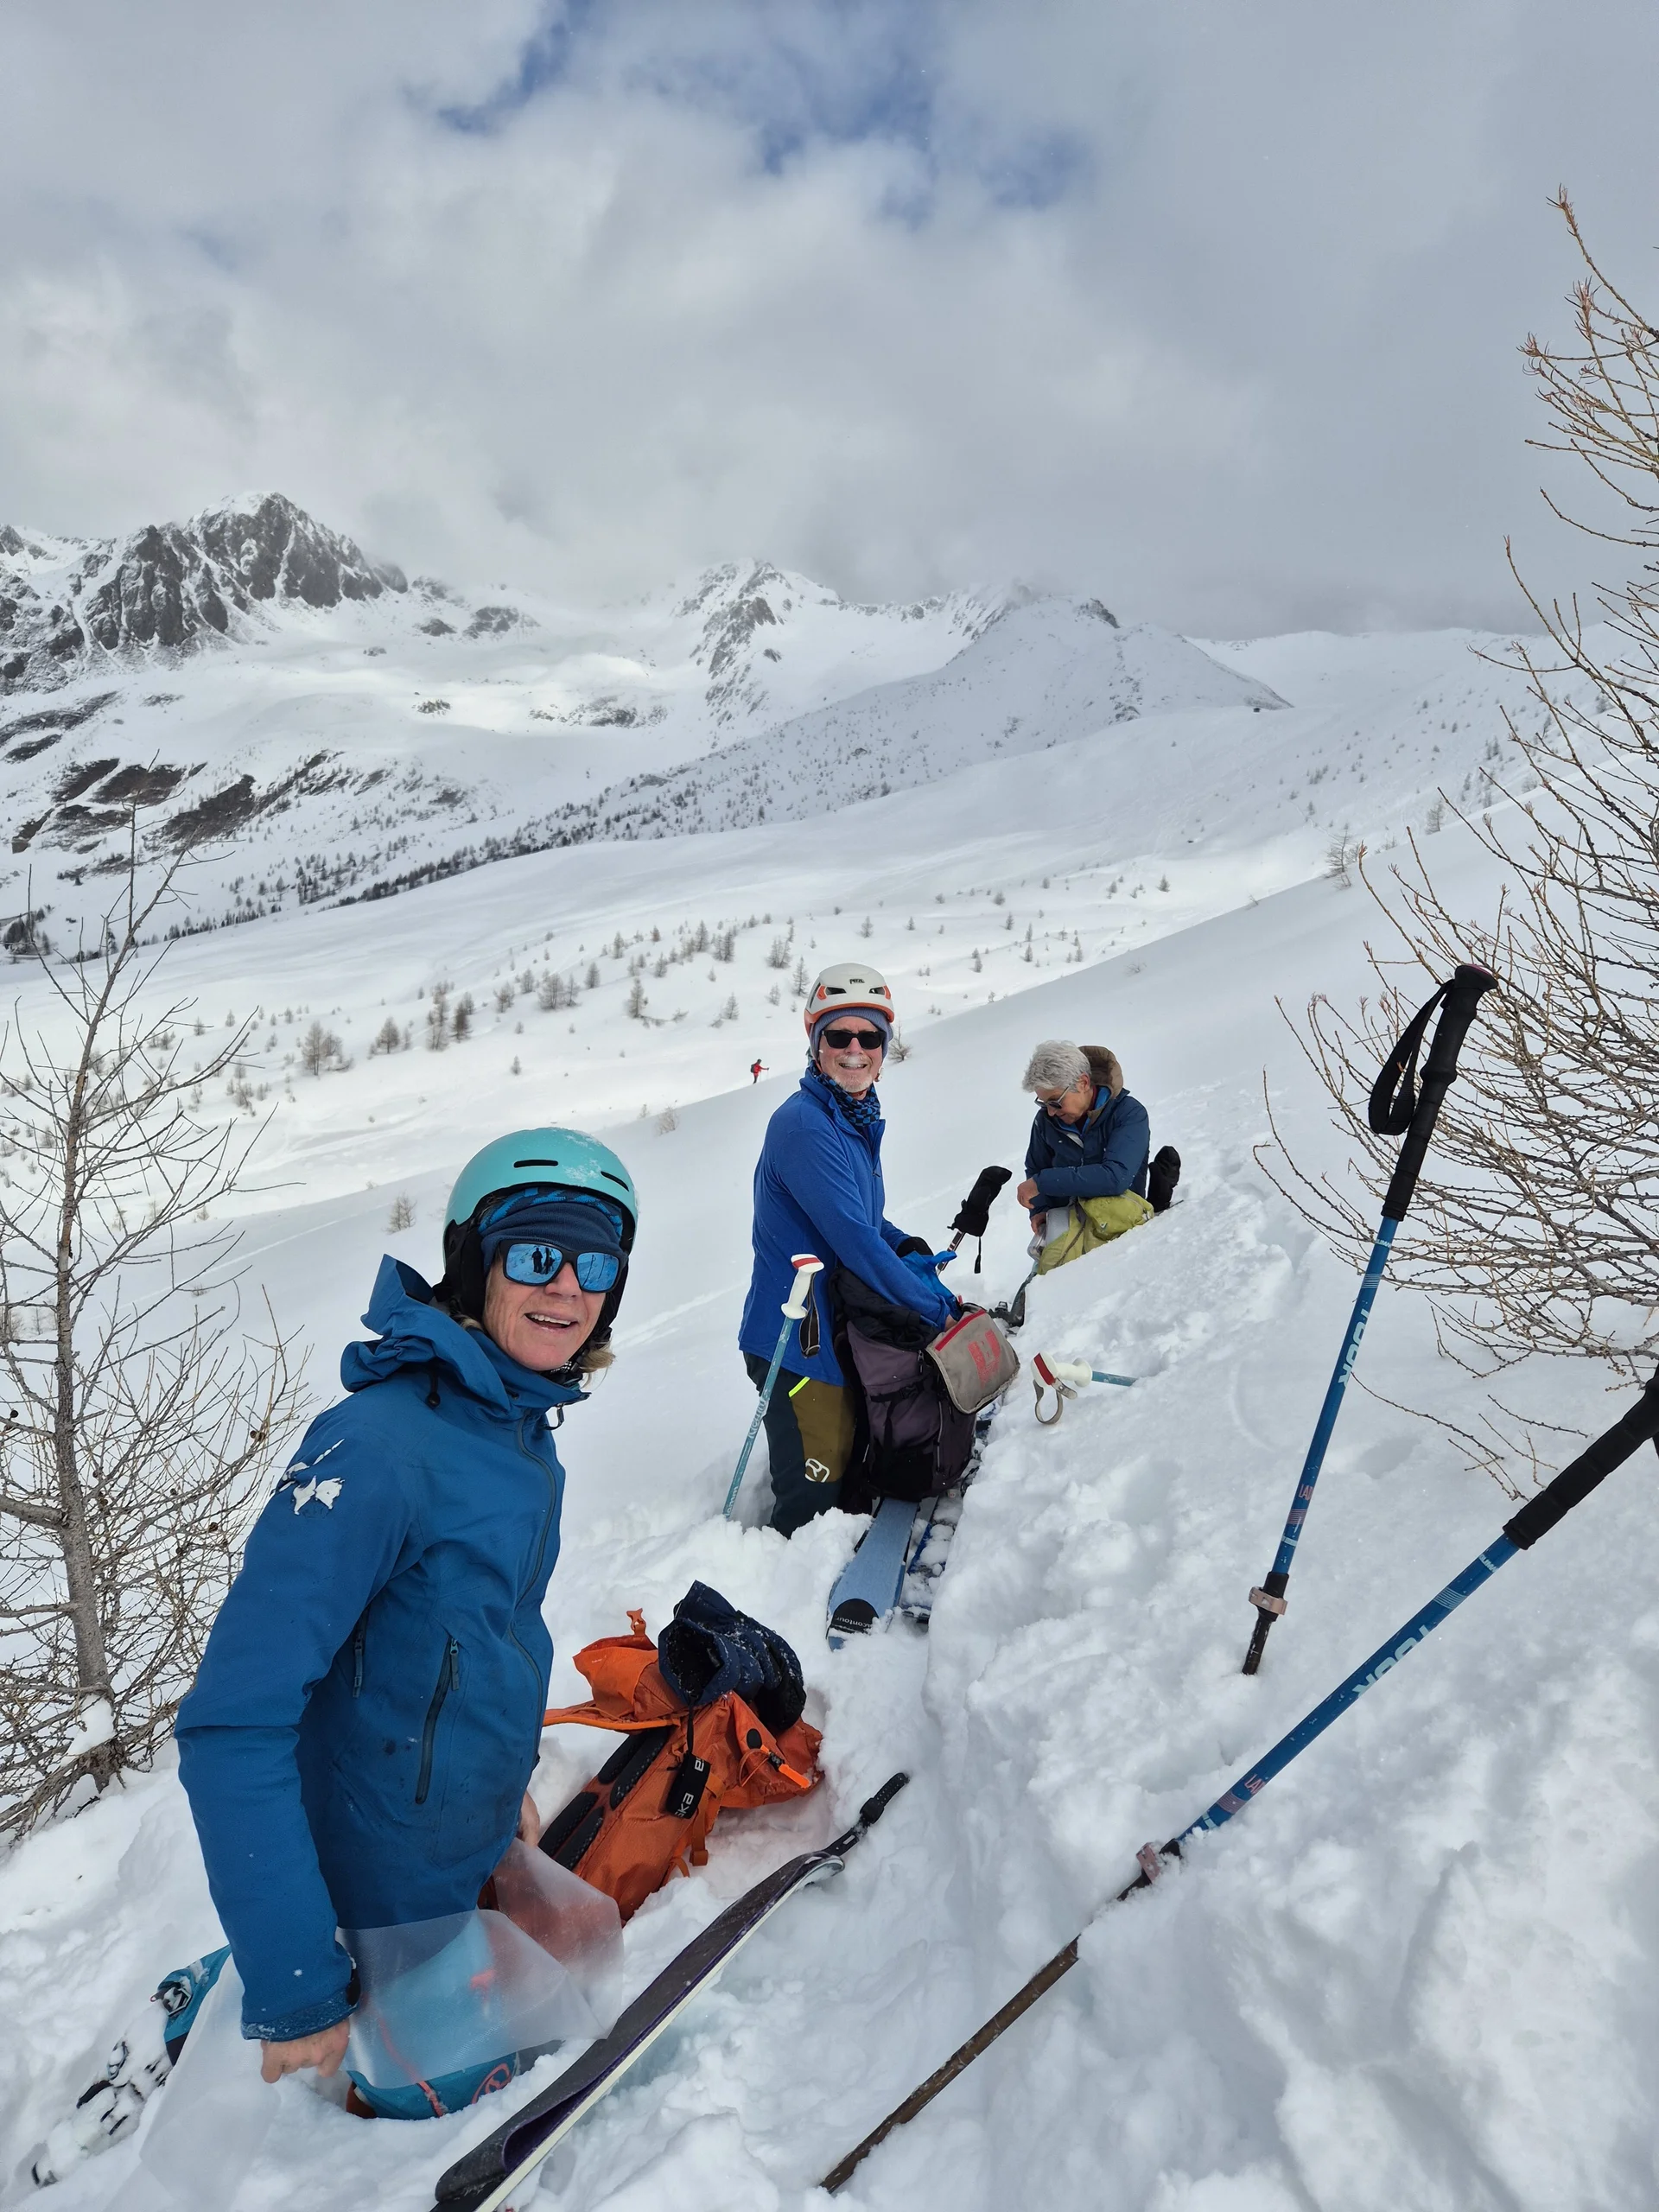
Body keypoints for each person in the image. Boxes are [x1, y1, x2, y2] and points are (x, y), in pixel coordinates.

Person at [173, 1128, 639, 2117]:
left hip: (446, 1856)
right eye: (536, 1255)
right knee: (470, 2094)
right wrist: (296, 1986)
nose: (567, 1289)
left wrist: (503, 1780)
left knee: (579, 1971)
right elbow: (231, 1722)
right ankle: (250, 1978)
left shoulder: (513, 1428)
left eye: (595, 1264)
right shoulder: (380, 1447)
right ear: (475, 1262)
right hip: (377, 1898)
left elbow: (474, 1639)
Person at [739, 962, 958, 1535]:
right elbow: (855, 1240)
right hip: (797, 1342)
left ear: (886, 1048)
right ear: (816, 1045)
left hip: (832, 1329)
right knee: (813, 1500)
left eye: (870, 1037)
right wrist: (937, 1311)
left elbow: (864, 1221)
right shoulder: (807, 1125)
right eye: (839, 1036)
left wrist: (906, 1245)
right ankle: (775, 1593)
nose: (855, 1049)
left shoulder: (849, 1118)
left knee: (845, 1465)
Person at [1015, 1040, 1154, 1274]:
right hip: (1065, 1228)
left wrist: (1041, 1183)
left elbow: (1115, 1177)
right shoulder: (1045, 1121)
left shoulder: (1128, 1114)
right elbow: (1036, 1165)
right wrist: (1040, 1208)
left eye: (1055, 1102)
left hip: (1118, 1227)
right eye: (1043, 1103)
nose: (1050, 1111)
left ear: (1083, 1083)